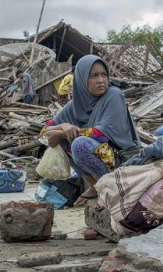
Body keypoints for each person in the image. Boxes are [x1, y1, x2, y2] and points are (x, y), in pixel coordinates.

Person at [43, 55, 141, 206]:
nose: (101, 80)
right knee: (62, 140)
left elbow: (101, 134)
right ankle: (94, 185)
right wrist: (63, 127)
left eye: (104, 75)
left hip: (122, 158)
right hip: (101, 159)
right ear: (82, 79)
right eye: (94, 76)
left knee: (79, 144)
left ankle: (110, 186)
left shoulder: (114, 95)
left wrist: (63, 133)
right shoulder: (74, 105)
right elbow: (44, 132)